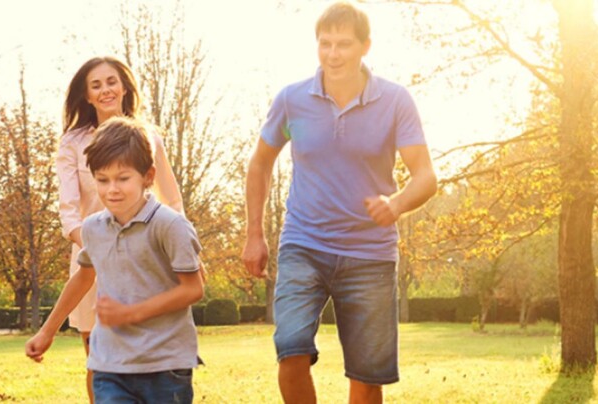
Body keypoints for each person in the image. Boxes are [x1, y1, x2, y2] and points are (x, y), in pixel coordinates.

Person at [241, 2, 438, 403]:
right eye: (325, 44)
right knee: (290, 351)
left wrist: (396, 204)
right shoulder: (292, 100)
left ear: (365, 46)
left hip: (370, 253)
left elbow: (426, 176)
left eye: (344, 44)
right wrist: (254, 234)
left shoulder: (396, 101)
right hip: (304, 244)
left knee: (367, 378)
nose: (333, 54)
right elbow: (260, 164)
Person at [28, 117, 204, 404]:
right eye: (102, 180)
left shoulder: (170, 225)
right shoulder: (93, 228)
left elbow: (193, 289)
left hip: (165, 365)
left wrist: (132, 313)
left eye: (123, 178)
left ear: (148, 176)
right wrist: (47, 331)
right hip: (109, 364)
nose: (112, 189)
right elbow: (83, 277)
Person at [55, 56, 186, 402]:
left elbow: (171, 200)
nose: (105, 90)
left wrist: (182, 246)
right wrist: (98, 246)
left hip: (146, 254)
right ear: (86, 96)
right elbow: (69, 214)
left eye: (111, 81)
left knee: (148, 351)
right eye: (95, 85)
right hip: (91, 258)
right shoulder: (71, 144)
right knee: (97, 358)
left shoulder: (149, 136)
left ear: (124, 86)